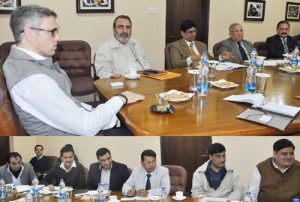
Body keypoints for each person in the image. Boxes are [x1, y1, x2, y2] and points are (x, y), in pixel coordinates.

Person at [2, 5, 145, 136]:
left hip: (84, 121)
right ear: (30, 34)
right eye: (52, 32)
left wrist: (101, 113)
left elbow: (69, 104)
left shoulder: (21, 64)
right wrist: (122, 98)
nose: (58, 37)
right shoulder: (33, 80)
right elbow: (87, 126)